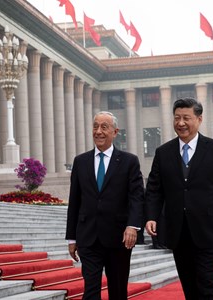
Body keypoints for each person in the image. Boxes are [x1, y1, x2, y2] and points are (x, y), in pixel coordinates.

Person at [145, 97, 213, 300]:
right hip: (178, 233)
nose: (181, 123)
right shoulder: (163, 152)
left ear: (199, 119)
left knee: (208, 286)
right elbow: (154, 189)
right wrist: (151, 216)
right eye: (177, 118)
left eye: (186, 118)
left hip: (210, 231)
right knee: (190, 288)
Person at [65, 111, 144, 300]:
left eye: (104, 127)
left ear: (115, 132)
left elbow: (137, 197)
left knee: (117, 290)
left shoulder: (129, 161)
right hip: (88, 237)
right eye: (95, 126)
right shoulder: (80, 161)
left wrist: (132, 225)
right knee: (90, 290)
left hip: (119, 238)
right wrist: (71, 238)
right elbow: (74, 200)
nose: (98, 131)